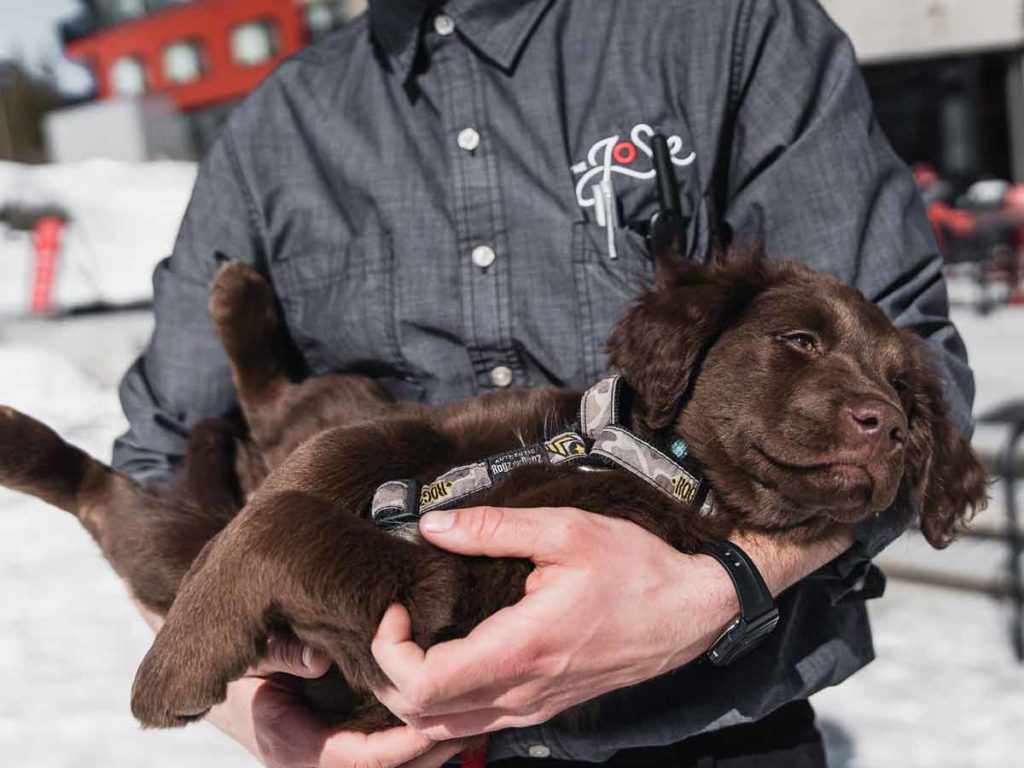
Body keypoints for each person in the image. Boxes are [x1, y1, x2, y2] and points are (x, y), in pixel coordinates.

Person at [113, 1, 975, 766]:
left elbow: (914, 391)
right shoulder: (280, 126)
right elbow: (157, 457)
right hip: (387, 739)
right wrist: (258, 715)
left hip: (711, 736)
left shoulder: (732, 28)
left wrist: (721, 584)